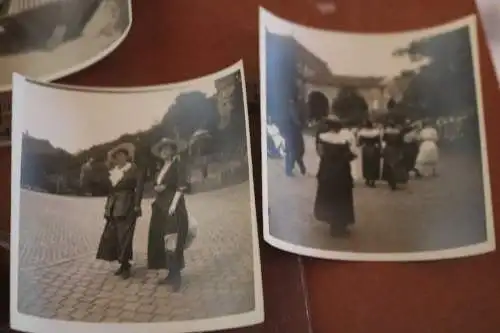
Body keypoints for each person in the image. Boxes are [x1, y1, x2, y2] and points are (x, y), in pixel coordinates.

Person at [96, 143, 144, 279]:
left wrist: (137, 205)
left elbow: (139, 187)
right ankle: (122, 263)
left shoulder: (133, 169)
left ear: (126, 157)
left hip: (128, 205)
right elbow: (109, 189)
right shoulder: (114, 172)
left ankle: (125, 265)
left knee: (125, 237)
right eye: (117, 156)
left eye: (122, 155)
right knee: (114, 236)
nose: (120, 158)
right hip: (114, 206)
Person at [147, 137, 189, 292]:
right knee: (163, 241)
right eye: (162, 149)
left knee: (173, 240)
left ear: (173, 150)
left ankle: (176, 277)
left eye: (168, 148)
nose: (165, 151)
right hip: (160, 207)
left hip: (173, 206)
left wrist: (173, 205)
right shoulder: (161, 167)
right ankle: (170, 273)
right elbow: (158, 184)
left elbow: (181, 186)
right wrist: (157, 188)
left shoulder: (178, 165)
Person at [314, 115, 357, 237]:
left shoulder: (322, 137)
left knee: (329, 196)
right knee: (342, 198)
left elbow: (320, 153)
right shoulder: (347, 137)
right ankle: (340, 227)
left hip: (326, 171)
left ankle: (332, 223)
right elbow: (353, 154)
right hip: (342, 172)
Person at [381, 121, 411, 190]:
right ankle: (395, 180)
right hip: (395, 149)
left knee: (388, 165)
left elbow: (383, 140)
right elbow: (401, 142)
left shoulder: (386, 132)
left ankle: (390, 181)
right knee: (395, 165)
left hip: (388, 148)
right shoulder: (398, 132)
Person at [282, 98, 306, 177]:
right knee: (295, 150)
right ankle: (291, 168)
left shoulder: (291, 105)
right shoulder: (292, 106)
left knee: (294, 150)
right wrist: (301, 124)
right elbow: (296, 120)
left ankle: (293, 168)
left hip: (291, 131)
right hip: (292, 131)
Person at [357, 120, 382, 187]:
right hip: (374, 149)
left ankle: (367, 180)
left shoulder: (362, 132)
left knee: (366, 165)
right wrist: (380, 150)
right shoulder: (376, 132)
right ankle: (373, 181)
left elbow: (359, 143)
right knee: (374, 165)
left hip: (366, 149)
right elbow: (379, 143)